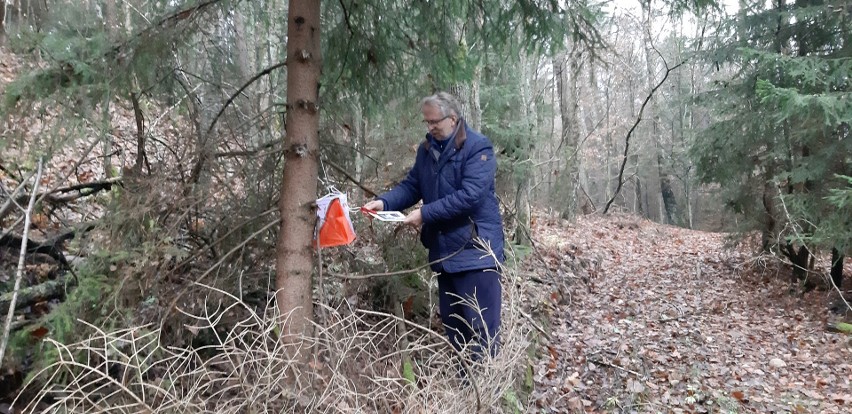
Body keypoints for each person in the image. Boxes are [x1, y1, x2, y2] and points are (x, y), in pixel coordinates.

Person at [363, 92, 505, 361]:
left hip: (477, 253)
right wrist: (384, 203)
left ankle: (488, 394)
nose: (429, 127)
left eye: (434, 122)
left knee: (483, 333)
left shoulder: (478, 148)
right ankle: (466, 392)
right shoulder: (426, 151)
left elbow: (470, 196)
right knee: (456, 334)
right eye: (426, 122)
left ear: (452, 119)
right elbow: (412, 186)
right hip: (445, 255)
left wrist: (425, 214)